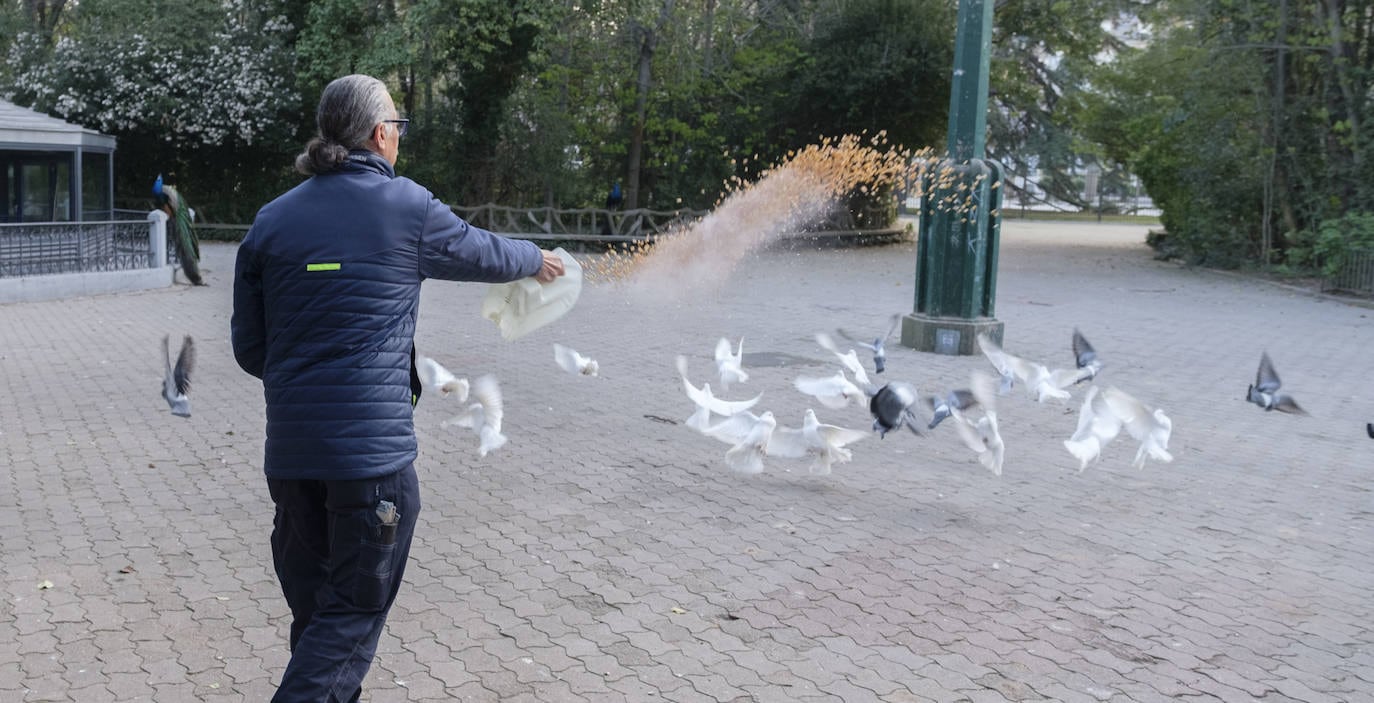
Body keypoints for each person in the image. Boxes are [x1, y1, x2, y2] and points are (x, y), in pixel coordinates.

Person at [230, 74, 564, 702]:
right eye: (398, 129)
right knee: (349, 620)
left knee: (320, 623)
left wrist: (306, 371)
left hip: (293, 461)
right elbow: (479, 252)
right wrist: (535, 259)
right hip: (370, 467)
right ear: (380, 134)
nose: (399, 140)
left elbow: (251, 351)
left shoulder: (270, 222)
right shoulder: (404, 207)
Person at [153, 174, 205, 285]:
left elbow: (168, 209)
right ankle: (194, 276)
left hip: (177, 215)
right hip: (177, 211)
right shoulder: (164, 190)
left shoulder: (163, 193)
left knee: (185, 245)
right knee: (184, 244)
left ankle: (194, 274)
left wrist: (169, 217)